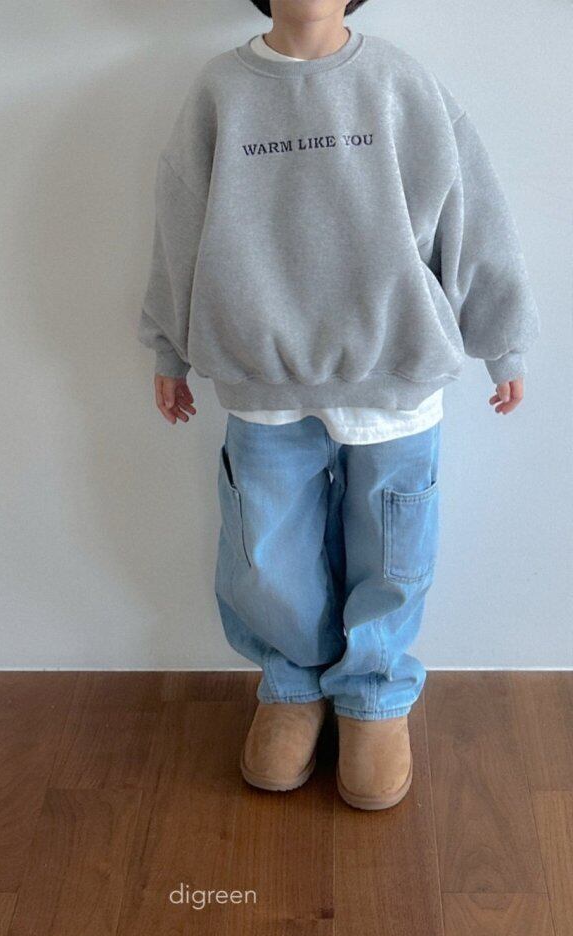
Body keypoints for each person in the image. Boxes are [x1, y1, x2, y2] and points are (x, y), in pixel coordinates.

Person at [136, 0, 540, 810]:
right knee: (266, 549)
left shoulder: (400, 82)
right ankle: (292, 687)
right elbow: (180, 224)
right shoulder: (221, 92)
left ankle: (373, 695)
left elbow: (469, 210)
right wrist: (169, 347)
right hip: (263, 376)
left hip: (394, 373)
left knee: (393, 549)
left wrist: (501, 340)